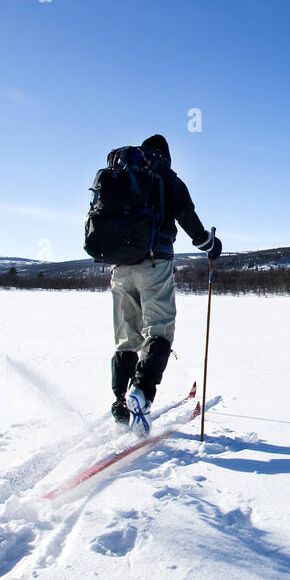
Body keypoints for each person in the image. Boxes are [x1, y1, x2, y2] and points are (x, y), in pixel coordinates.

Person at [104, 134, 220, 432]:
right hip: (154, 262)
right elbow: (188, 219)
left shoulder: (121, 174)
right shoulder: (166, 178)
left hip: (119, 266)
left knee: (126, 336)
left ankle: (120, 403)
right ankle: (141, 392)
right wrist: (209, 244)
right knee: (160, 329)